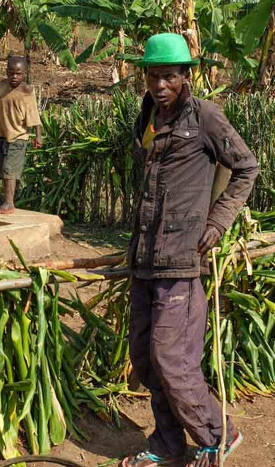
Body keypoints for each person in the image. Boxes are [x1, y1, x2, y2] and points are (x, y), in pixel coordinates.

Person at [121, 33, 257, 467]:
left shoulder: (205, 118)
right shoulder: (148, 117)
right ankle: (167, 443)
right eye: (153, 76)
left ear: (185, 76)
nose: (160, 85)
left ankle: (218, 435)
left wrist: (217, 222)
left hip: (181, 258)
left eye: (169, 77)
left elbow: (247, 167)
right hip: (145, 257)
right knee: (146, 358)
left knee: (171, 358)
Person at [0, 55, 43, 215]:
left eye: (18, 74)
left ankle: (9, 203)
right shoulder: (2, 86)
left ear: (25, 74)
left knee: (9, 169)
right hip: (4, 135)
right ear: (6, 72)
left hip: (19, 136)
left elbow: (34, 116)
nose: (14, 77)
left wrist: (38, 136)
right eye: (11, 73)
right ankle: (6, 200)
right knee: (1, 168)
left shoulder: (27, 92)